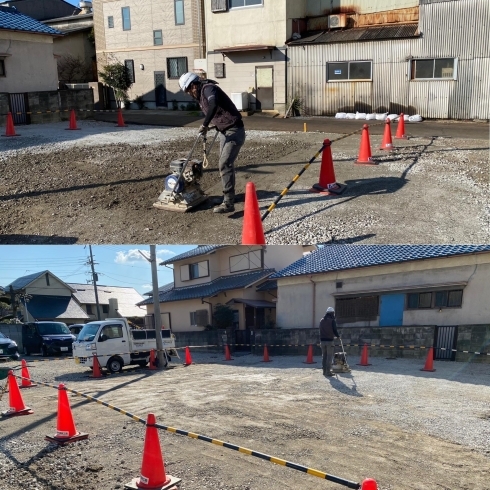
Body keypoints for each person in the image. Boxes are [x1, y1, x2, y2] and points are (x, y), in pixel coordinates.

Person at [178, 72, 246, 213]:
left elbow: (214, 104)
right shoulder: (200, 94)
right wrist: (211, 126)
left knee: (224, 164)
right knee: (225, 165)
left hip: (234, 131)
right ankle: (229, 197)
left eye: (189, 89)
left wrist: (204, 124)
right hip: (224, 132)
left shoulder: (208, 88)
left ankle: (228, 203)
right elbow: (220, 113)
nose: (190, 93)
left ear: (193, 84)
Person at [319, 307, 340, 376]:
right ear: (332, 313)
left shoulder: (321, 320)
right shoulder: (332, 321)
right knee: (329, 356)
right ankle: (328, 371)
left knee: (324, 356)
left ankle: (324, 371)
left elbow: (320, 330)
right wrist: (338, 336)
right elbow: (334, 330)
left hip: (322, 341)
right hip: (329, 341)